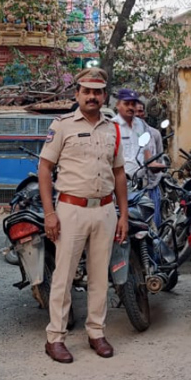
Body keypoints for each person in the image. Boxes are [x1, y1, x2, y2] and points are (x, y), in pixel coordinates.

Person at [38, 67, 128, 363]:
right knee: (63, 276)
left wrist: (123, 214)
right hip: (70, 210)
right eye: (87, 91)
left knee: (100, 276)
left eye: (98, 91)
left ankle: (96, 332)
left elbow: (119, 173)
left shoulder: (112, 128)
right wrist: (50, 213)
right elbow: (45, 169)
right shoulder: (62, 125)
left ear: (104, 95)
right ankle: (56, 338)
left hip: (104, 210)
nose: (92, 96)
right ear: (77, 94)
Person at [111, 89, 153, 178]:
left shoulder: (141, 124)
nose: (130, 107)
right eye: (126, 104)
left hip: (141, 182)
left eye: (133, 104)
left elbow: (146, 149)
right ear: (118, 105)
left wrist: (152, 163)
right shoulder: (112, 126)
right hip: (121, 181)